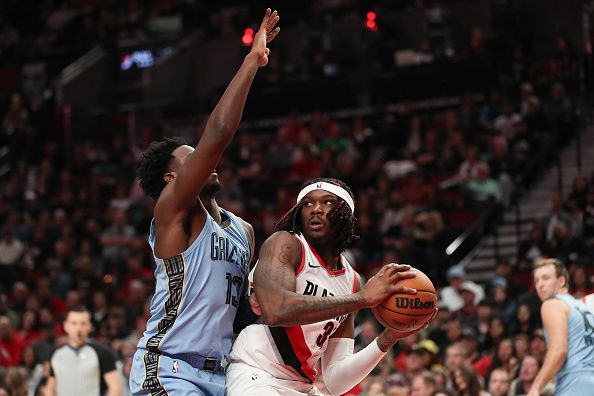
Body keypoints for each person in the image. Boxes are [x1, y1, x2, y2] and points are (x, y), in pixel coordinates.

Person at [129, 9, 281, 396]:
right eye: (191, 158)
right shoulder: (174, 210)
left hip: (223, 373)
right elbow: (219, 132)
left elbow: (243, 315)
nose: (206, 160)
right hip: (169, 367)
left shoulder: (242, 230)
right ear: (171, 179)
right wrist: (250, 63)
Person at [227, 178, 435, 395]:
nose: (316, 209)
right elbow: (277, 311)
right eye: (307, 204)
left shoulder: (352, 281)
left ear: (346, 215)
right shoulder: (286, 244)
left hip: (302, 385)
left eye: (327, 203)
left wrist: (388, 338)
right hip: (257, 374)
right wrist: (361, 299)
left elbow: (336, 382)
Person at [528, 258, 594, 396]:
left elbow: (559, 350)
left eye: (545, 278)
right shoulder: (583, 307)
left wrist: (535, 388)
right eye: (537, 280)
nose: (540, 285)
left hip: (575, 382)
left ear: (561, 281)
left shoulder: (552, 304)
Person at [47, 306, 121, 396]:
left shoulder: (102, 353)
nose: (78, 328)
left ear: (89, 326)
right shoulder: (56, 354)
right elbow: (50, 389)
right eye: (74, 323)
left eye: (83, 323)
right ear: (66, 326)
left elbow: (115, 388)